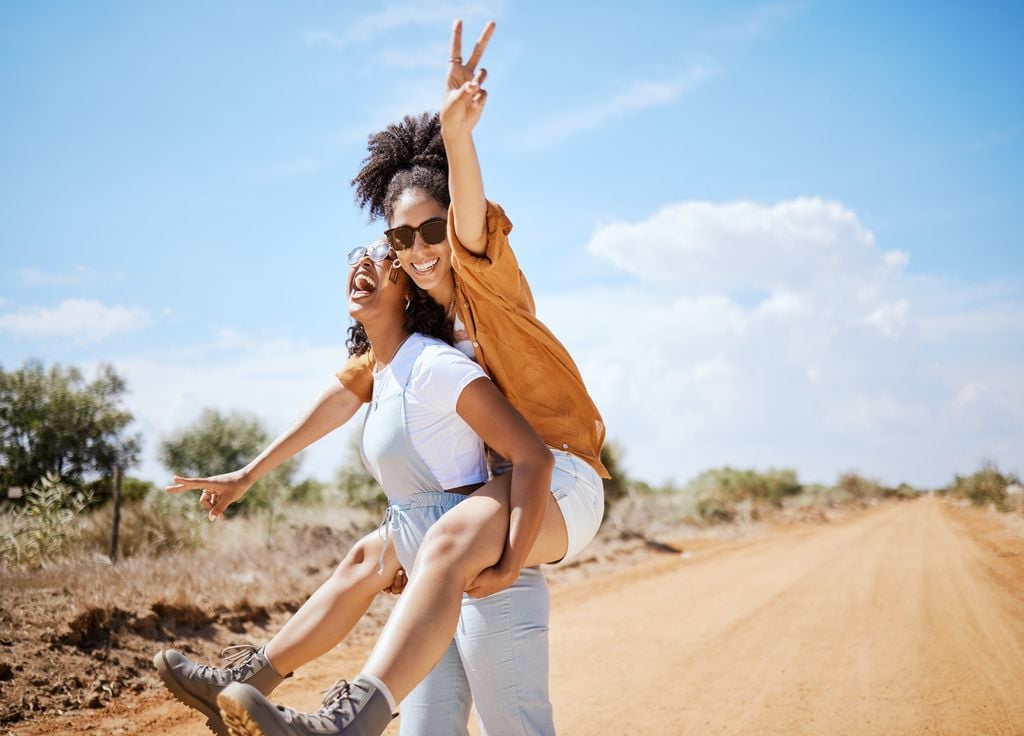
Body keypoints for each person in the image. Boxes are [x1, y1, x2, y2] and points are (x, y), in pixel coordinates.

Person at [215, 18, 610, 736]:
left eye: (432, 230)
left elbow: (466, 219)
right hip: (494, 496)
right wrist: (248, 473)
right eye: (405, 238)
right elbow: (344, 394)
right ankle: (271, 684)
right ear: (391, 253)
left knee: (450, 546)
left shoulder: (487, 281)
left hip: (559, 477)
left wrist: (458, 132)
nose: (425, 248)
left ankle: (342, 722)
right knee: (396, 549)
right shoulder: (419, 334)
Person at [157, 241, 557, 736]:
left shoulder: (436, 365)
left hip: (485, 575)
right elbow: (327, 411)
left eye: (385, 257)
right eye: (358, 253)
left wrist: (510, 559)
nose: (366, 262)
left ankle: (322, 715)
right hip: (428, 580)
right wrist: (246, 475)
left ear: (410, 289)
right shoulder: (383, 373)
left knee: (517, 729)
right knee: (369, 572)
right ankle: (244, 682)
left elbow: (527, 456)